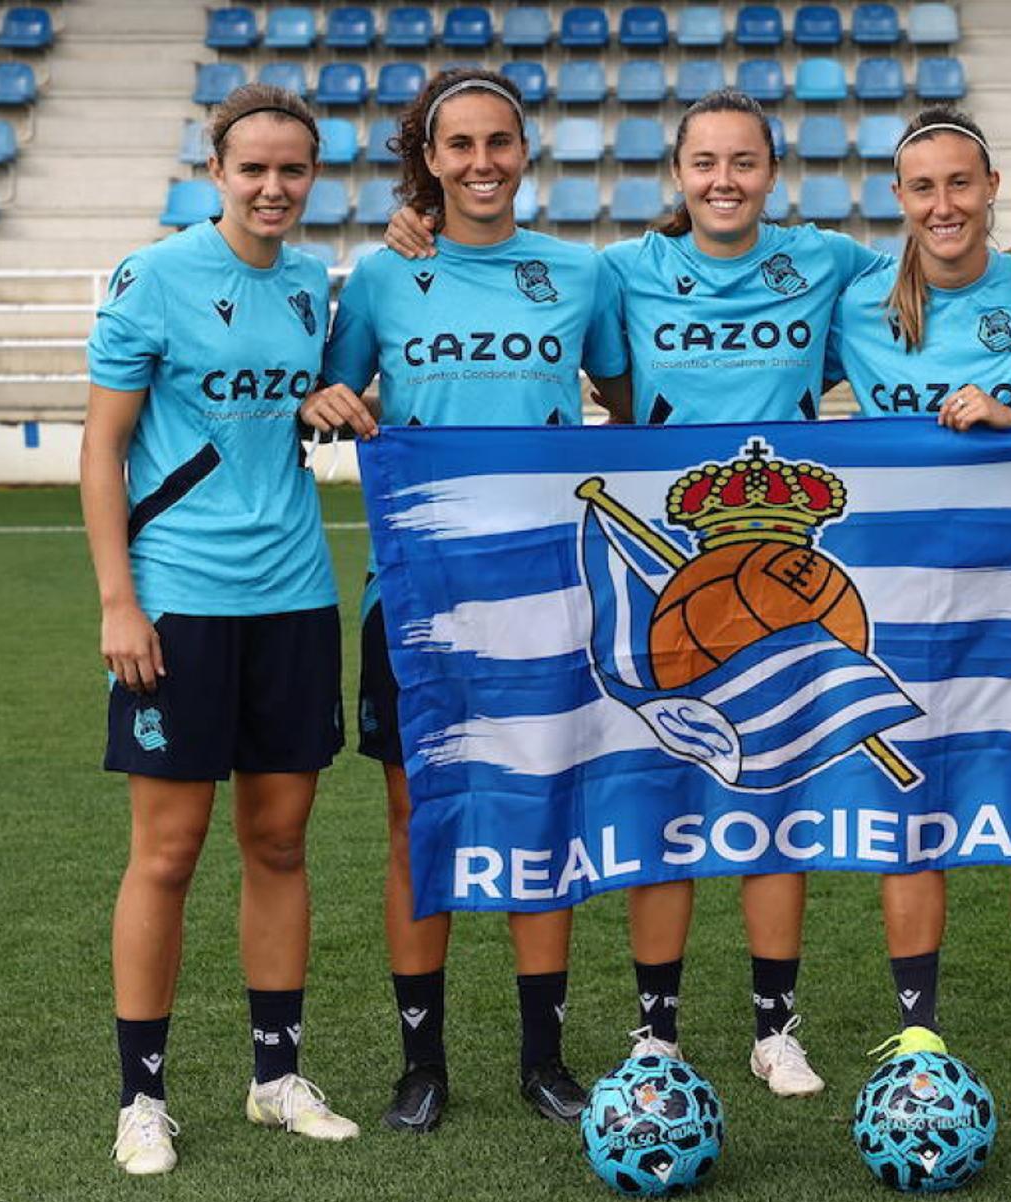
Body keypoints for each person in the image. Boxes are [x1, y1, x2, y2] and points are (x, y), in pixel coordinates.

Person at [384, 89, 1011, 1099]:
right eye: (704, 162)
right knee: (661, 792)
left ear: (771, 173)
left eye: (743, 162)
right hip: (682, 567)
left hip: (791, 566)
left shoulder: (829, 262)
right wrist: (419, 225)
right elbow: (606, 385)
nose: (723, 180)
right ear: (678, 174)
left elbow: (947, 265)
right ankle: (655, 1029)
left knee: (772, 797)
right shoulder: (618, 271)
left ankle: (772, 1027)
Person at [298, 67, 631, 1132]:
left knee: (543, 807)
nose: (481, 162)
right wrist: (328, 396)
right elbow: (325, 396)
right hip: (415, 595)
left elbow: (633, 409)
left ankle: (545, 1056)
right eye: (460, 146)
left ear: (525, 153)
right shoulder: (386, 279)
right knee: (415, 818)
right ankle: (421, 1062)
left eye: (500, 142)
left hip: (546, 588)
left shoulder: (582, 276)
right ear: (428, 159)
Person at [82, 83, 358, 1176]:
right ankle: (141, 1099)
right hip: (179, 603)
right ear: (217, 171)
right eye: (254, 168)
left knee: (281, 842)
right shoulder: (154, 278)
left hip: (294, 592)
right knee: (167, 850)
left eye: (294, 169)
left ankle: (276, 1075)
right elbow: (103, 448)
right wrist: (118, 597)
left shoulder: (306, 283)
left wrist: (314, 405)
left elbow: (274, 410)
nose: (275, 187)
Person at [827, 107, 1011, 1102]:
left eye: (961, 183)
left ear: (992, 185)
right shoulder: (858, 300)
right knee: (911, 803)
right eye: (923, 187)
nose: (943, 204)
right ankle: (918, 1033)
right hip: (899, 593)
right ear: (899, 199)